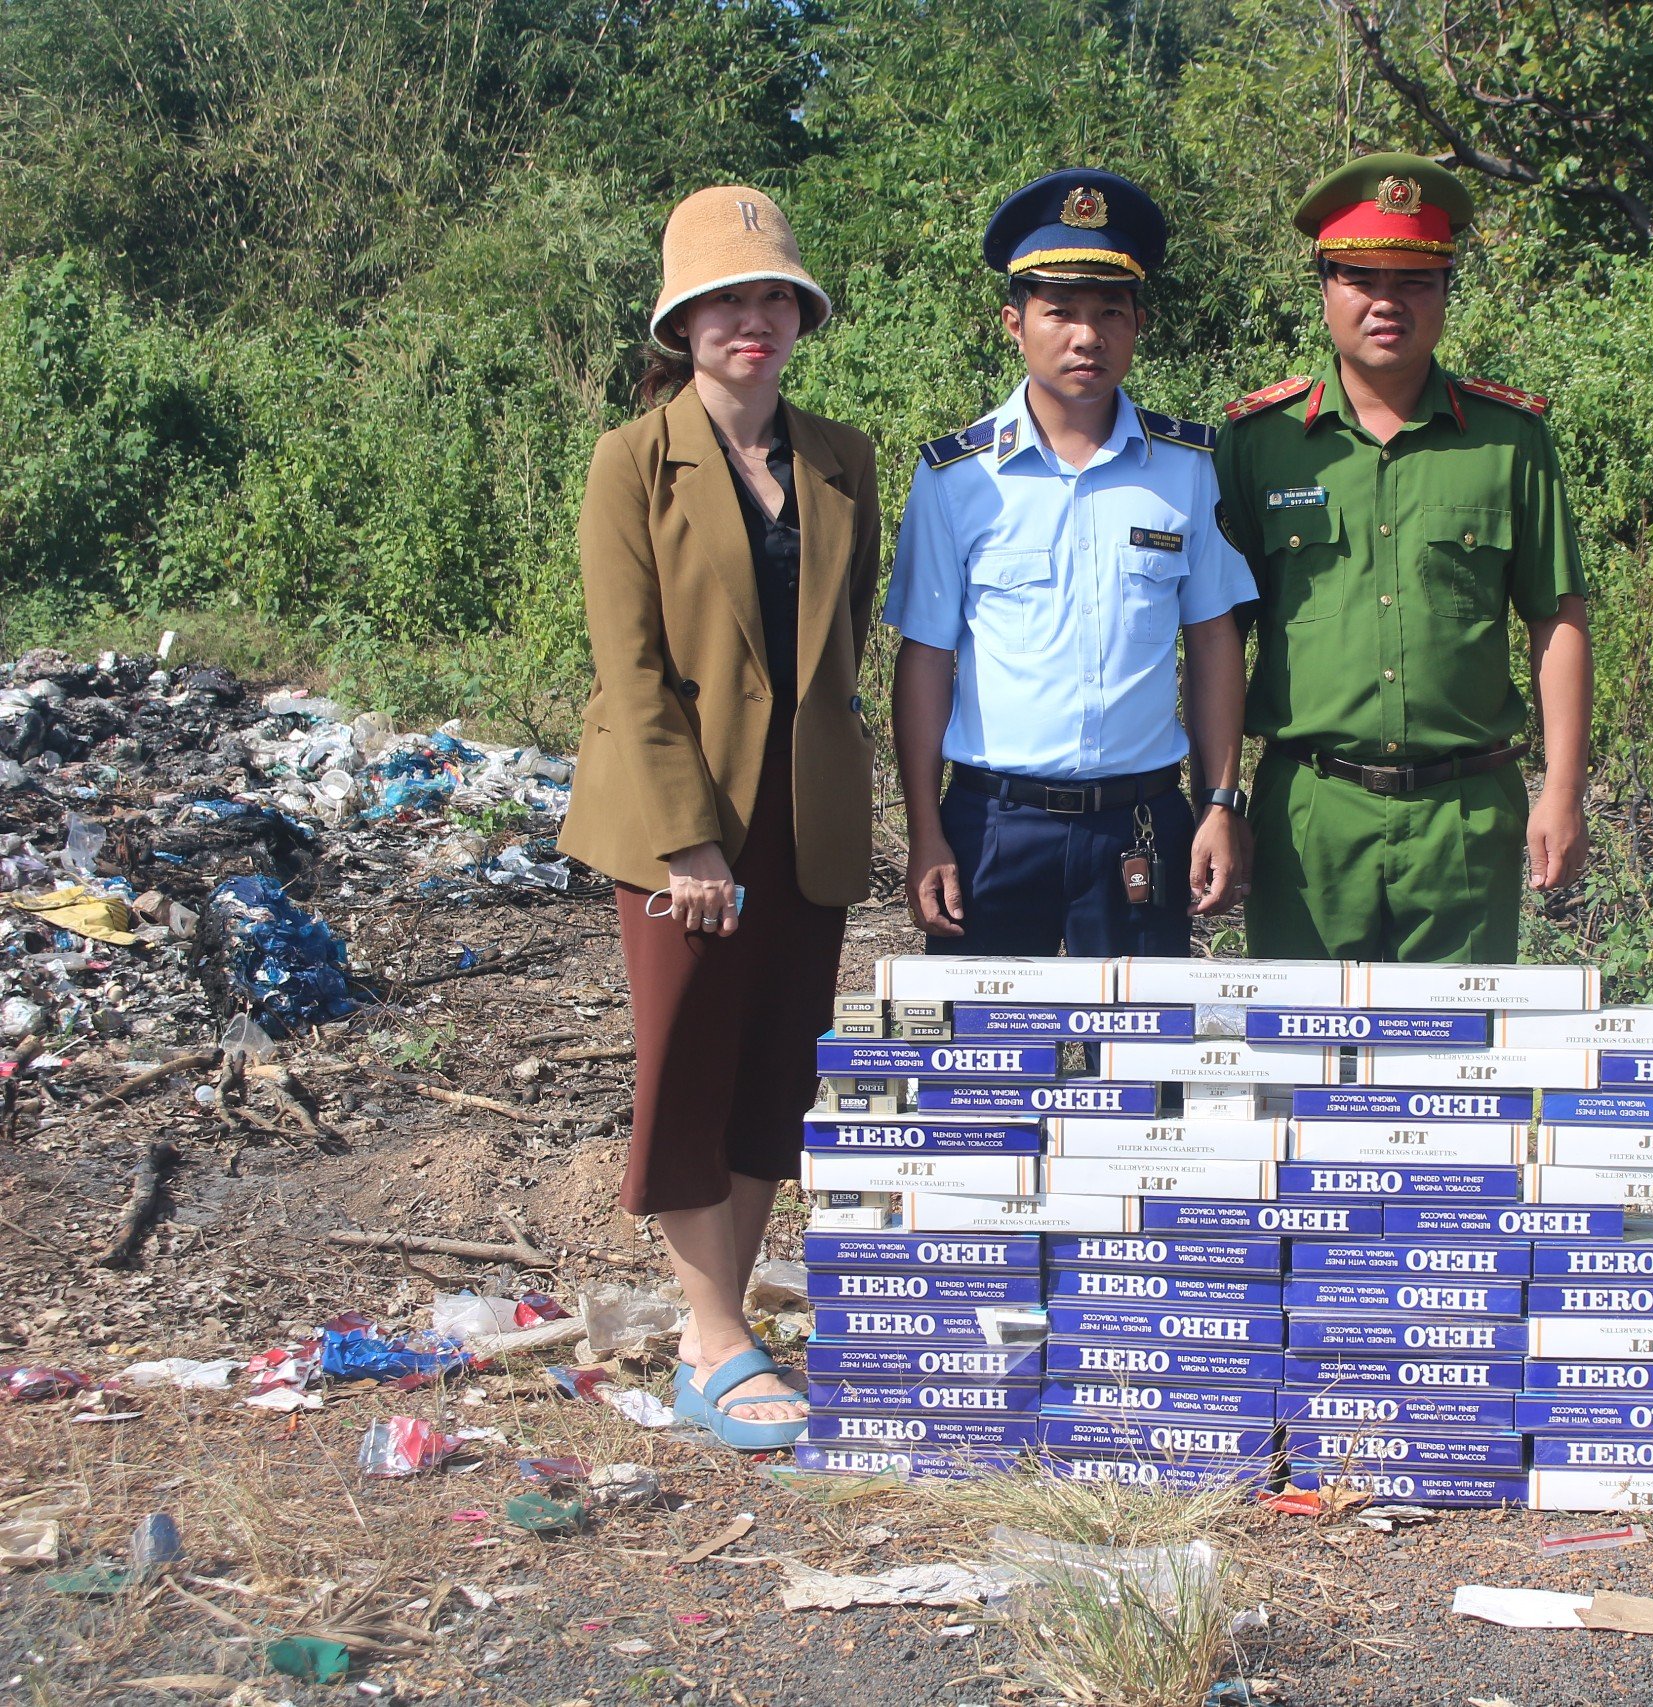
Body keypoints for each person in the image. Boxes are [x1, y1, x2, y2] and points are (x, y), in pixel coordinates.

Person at [559, 185, 881, 1450]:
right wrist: (687, 837)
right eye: (724, 302)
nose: (751, 321)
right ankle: (712, 1335)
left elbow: (842, 641)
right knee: (689, 1060)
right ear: (681, 325)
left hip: (801, 813)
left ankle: (724, 1325)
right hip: (678, 820)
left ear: (798, 316)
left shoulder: (840, 457)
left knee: (772, 1074)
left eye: (771, 300)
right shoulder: (634, 459)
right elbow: (630, 667)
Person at [1214, 153, 1594, 964]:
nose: (1387, 301)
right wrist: (1216, 800)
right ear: (1324, 288)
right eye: (1361, 277)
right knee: (1303, 1063)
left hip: (1465, 815)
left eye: (1415, 280)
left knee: (1452, 1071)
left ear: (1447, 293)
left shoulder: (1508, 440)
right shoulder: (1259, 443)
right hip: (1310, 810)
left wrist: (1563, 787)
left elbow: (1555, 617)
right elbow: (1217, 636)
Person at [885, 169, 1254, 955]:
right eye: (1060, 312)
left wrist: (1219, 802)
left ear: (1138, 323)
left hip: (1141, 825)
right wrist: (926, 829)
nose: (1087, 336)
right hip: (992, 825)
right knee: (983, 1064)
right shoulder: (957, 476)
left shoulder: (1184, 468)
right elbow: (925, 657)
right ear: (1014, 323)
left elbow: (1215, 641)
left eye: (1109, 312)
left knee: (1140, 1063)